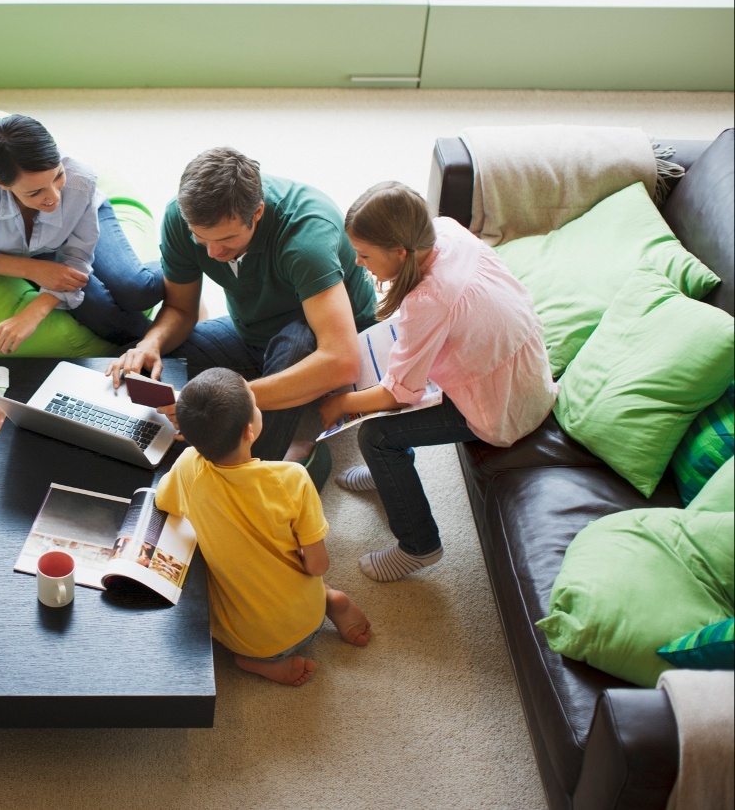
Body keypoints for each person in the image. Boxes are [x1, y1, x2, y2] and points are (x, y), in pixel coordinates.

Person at [319, 182, 559, 582]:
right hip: (526, 376)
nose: (359, 264)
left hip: (502, 409)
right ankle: (387, 477)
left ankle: (419, 546)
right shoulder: (446, 230)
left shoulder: (429, 301)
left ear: (399, 252)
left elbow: (399, 394)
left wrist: (341, 405)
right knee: (390, 377)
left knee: (376, 437)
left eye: (364, 255)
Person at [106, 147, 377, 486]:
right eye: (200, 238)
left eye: (227, 239)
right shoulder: (179, 217)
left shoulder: (306, 236)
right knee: (150, 364)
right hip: (251, 334)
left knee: (295, 341)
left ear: (258, 212)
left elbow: (342, 360)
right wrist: (152, 342)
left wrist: (235, 400)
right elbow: (180, 308)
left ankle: (277, 464)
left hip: (324, 349)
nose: (213, 253)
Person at [154, 367, 372, 686]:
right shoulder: (292, 479)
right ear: (249, 431)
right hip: (308, 613)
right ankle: (329, 600)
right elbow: (318, 564)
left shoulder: (188, 465)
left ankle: (260, 662)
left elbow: (164, 501)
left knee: (215, 605)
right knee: (295, 574)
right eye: (255, 403)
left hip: (256, 640)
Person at [0, 114, 163, 353]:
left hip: (83, 219)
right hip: (29, 253)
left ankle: (185, 260)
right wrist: (31, 269)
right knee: (98, 310)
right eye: (35, 192)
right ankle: (164, 343)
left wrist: (35, 310)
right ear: (2, 184)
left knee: (136, 290)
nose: (55, 198)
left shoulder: (80, 181)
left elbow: (78, 257)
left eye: (58, 177)